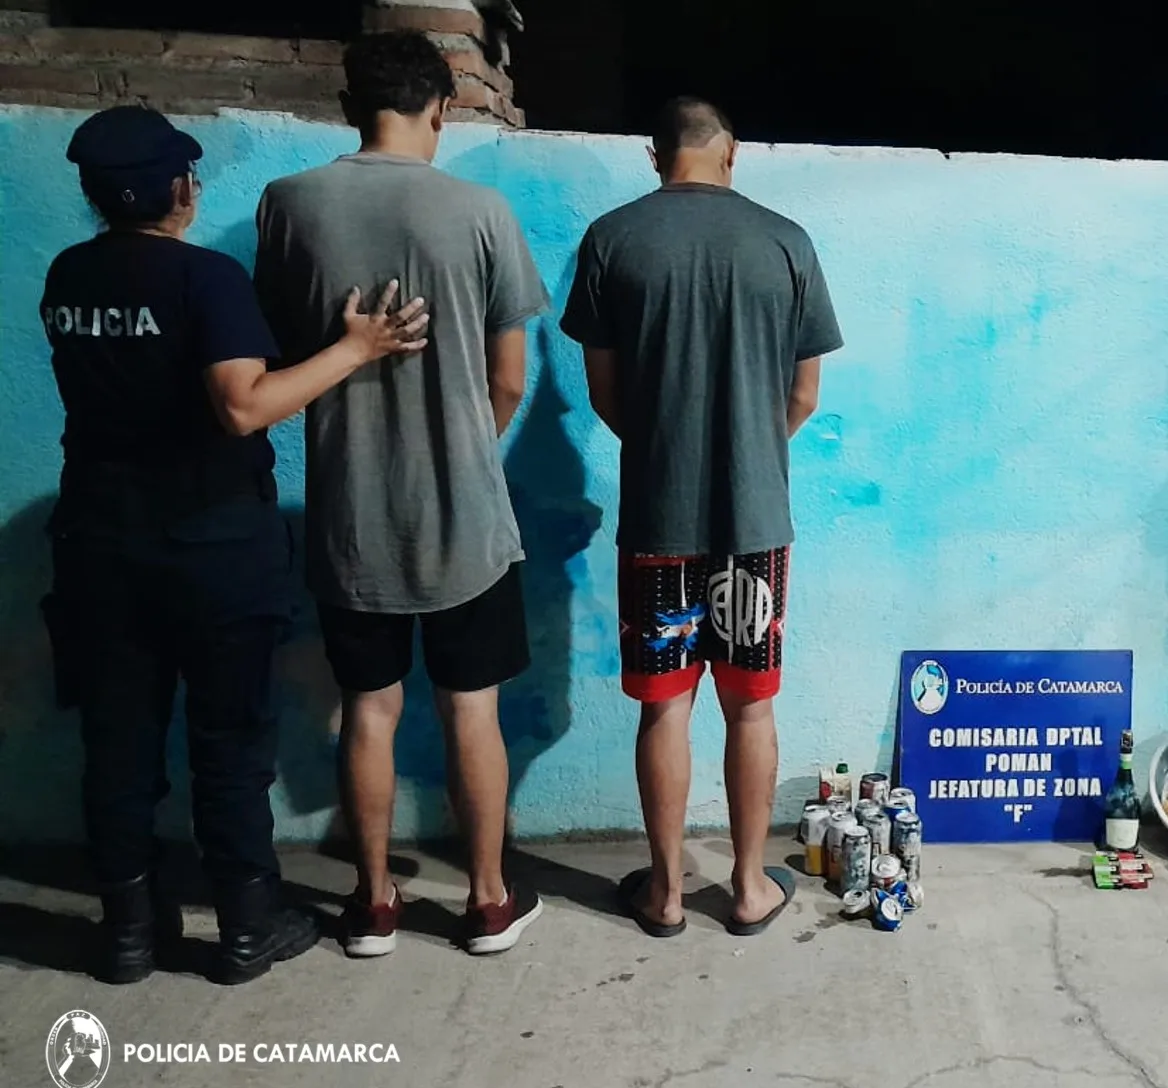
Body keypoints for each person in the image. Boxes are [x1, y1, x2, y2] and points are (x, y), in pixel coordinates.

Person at [40, 106, 427, 985]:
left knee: (119, 740)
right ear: (178, 188)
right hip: (211, 549)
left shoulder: (68, 274)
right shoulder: (206, 279)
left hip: (98, 545)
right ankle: (246, 926)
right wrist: (356, 347)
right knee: (228, 739)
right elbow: (244, 404)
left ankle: (131, 932)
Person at [253, 30, 551, 956]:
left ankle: (374, 903)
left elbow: (280, 353)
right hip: (466, 519)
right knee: (474, 708)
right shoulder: (481, 211)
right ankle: (489, 901)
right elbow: (510, 379)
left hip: (349, 520)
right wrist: (465, 447)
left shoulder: (287, 205)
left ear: (351, 106)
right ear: (440, 107)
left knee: (368, 709)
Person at [560, 97, 843, 937]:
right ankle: (751, 887)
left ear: (656, 157)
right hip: (756, 520)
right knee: (751, 706)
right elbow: (804, 395)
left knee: (665, 706)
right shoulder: (788, 241)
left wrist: (665, 452)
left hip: (657, 518)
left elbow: (605, 394)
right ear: (733, 153)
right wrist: (750, 449)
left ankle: (667, 896)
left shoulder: (613, 239)